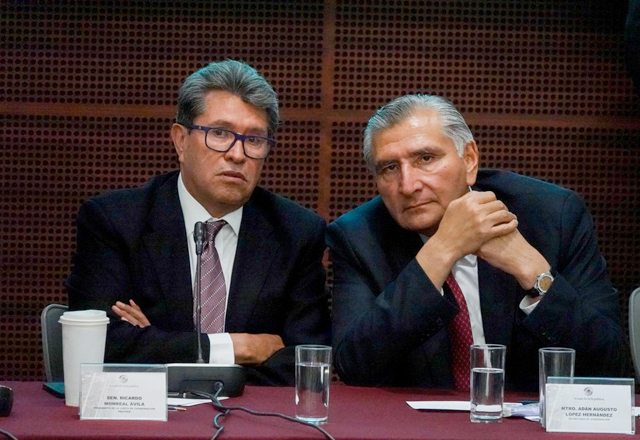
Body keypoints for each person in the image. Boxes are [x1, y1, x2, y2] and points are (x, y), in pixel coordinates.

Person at [326, 94, 627, 391]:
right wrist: (441, 250)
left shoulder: (552, 216)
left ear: (469, 160)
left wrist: (533, 272)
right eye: (389, 168)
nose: (407, 185)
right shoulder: (358, 237)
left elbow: (612, 364)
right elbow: (355, 367)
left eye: (426, 159)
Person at [66, 60, 330, 385]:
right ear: (180, 140)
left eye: (254, 140)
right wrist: (237, 347)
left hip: (249, 412)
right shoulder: (115, 221)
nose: (237, 154)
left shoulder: (298, 232)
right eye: (219, 133)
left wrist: (158, 343)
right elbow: (101, 344)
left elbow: (305, 361)